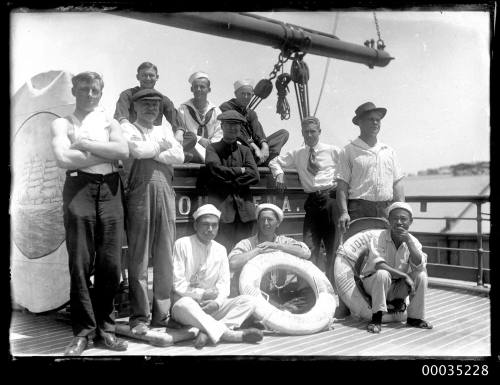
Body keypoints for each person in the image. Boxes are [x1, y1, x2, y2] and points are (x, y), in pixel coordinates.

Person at [51, 71, 129, 355]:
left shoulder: (110, 120)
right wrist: (106, 152)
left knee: (110, 264)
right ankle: (83, 333)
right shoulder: (62, 123)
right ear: (74, 91)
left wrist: (84, 145)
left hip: (110, 189)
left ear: (101, 91)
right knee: (80, 262)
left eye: (95, 90)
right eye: (83, 89)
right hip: (78, 188)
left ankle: (106, 330)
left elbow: (123, 149)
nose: (89, 94)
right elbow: (63, 158)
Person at [120, 89, 185, 335]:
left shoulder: (164, 129)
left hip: (165, 193)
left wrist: (153, 148)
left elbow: (178, 155)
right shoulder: (127, 128)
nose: (151, 108)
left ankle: (161, 315)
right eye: (145, 104)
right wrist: (161, 149)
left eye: (155, 105)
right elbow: (136, 151)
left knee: (165, 255)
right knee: (138, 257)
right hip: (139, 194)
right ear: (134, 107)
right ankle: (139, 317)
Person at [171, 204, 264, 349]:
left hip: (213, 308)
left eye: (214, 225)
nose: (210, 229)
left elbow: (224, 285)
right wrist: (202, 295)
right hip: (189, 307)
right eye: (205, 225)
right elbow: (178, 284)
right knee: (184, 304)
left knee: (250, 301)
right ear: (195, 225)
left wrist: (217, 303)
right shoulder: (182, 244)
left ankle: (208, 330)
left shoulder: (220, 249)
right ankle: (230, 334)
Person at [269, 116, 340, 276]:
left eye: (312, 132)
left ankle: (334, 289)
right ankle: (312, 287)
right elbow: (274, 162)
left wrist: (339, 183)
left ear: (319, 132)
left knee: (333, 247)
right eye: (306, 132)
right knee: (309, 246)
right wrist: (279, 174)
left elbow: (348, 168)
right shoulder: (297, 153)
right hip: (312, 202)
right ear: (301, 133)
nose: (309, 135)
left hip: (331, 200)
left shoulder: (334, 151)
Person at [361, 202, 433, 333]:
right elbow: (379, 265)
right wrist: (404, 275)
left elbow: (419, 264)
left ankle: (415, 318)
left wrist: (409, 242)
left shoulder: (414, 241)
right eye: (394, 218)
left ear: (410, 221)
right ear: (388, 221)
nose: (399, 222)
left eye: (403, 219)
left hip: (396, 288)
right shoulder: (379, 237)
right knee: (383, 273)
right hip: (374, 283)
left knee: (421, 276)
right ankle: (376, 318)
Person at [228, 204, 313, 313]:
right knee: (249, 303)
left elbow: (306, 252)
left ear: (277, 223)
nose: (266, 223)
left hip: (279, 294)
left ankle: (280, 311)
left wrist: (277, 246)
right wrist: (258, 251)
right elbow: (232, 263)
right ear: (258, 222)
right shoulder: (247, 243)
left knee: (311, 296)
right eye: (262, 220)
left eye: (270, 220)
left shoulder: (284, 241)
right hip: (257, 296)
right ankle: (284, 311)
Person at [337, 102, 405, 234]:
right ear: (360, 123)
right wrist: (344, 212)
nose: (375, 123)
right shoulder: (348, 151)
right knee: (359, 250)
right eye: (370, 119)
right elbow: (342, 186)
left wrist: (401, 209)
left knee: (384, 250)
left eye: (378, 120)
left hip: (386, 209)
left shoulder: (388, 151)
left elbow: (397, 183)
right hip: (358, 210)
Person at [201, 109, 260, 253]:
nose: (232, 128)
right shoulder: (212, 148)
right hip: (223, 213)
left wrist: (229, 181)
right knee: (223, 253)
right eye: (228, 125)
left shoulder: (245, 150)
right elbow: (215, 170)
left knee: (246, 253)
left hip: (245, 214)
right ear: (222, 127)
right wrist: (241, 170)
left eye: (236, 125)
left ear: (240, 128)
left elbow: (254, 175)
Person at [113, 62, 194, 159]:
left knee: (191, 137)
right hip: (136, 137)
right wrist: (131, 132)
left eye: (151, 75)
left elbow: (176, 119)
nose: (148, 78)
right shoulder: (127, 94)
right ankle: (170, 152)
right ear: (138, 77)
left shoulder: (163, 99)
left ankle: (155, 152)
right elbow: (121, 118)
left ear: (157, 77)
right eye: (144, 75)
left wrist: (179, 132)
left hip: (156, 137)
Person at [219, 79, 289, 166]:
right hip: (238, 146)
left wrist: (264, 146)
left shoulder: (251, 113)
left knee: (283, 133)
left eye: (248, 94)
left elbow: (257, 132)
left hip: (253, 150)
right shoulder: (226, 107)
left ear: (252, 95)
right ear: (236, 94)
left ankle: (262, 159)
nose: (245, 97)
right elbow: (238, 132)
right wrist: (255, 147)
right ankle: (259, 160)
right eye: (243, 93)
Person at [177, 71, 223, 163]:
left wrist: (210, 146)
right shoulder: (183, 108)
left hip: (211, 147)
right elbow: (181, 130)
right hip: (192, 146)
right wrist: (199, 139)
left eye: (202, 87)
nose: (198, 89)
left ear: (209, 90)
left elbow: (219, 132)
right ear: (191, 89)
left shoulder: (215, 111)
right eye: (195, 87)